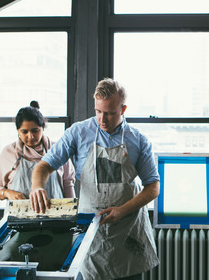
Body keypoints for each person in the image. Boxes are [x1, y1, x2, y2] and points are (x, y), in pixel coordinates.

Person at [29, 78, 160, 280]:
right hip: (91, 233)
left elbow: (153, 187)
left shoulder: (138, 140)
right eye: (98, 111)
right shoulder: (78, 132)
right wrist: (37, 186)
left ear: (123, 109)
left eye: (109, 113)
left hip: (127, 234)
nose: (102, 119)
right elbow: (44, 166)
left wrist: (121, 210)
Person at [0, 101, 75, 201]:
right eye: (24, 132)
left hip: (55, 216)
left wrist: (72, 213)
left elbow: (68, 185)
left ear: (43, 128)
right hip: (17, 216)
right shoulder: (8, 152)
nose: (30, 136)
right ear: (18, 131)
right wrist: (7, 193)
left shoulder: (58, 150)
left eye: (35, 130)